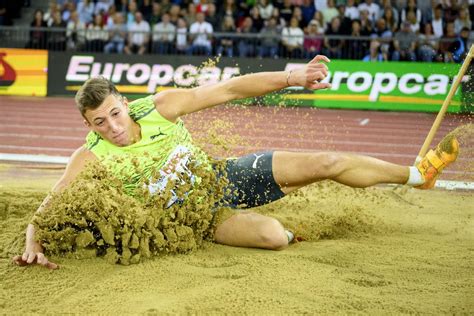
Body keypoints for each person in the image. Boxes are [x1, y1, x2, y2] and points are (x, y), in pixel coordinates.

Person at [12, 55, 459, 270]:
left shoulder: (161, 106)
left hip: (221, 178)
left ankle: (418, 175)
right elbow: (51, 204)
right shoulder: (89, 156)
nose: (112, 126)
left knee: (327, 160)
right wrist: (34, 241)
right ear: (88, 124)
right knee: (272, 237)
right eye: (99, 122)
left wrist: (291, 77)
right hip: (193, 219)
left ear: (124, 103)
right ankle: (290, 228)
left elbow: (230, 88)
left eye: (114, 113)